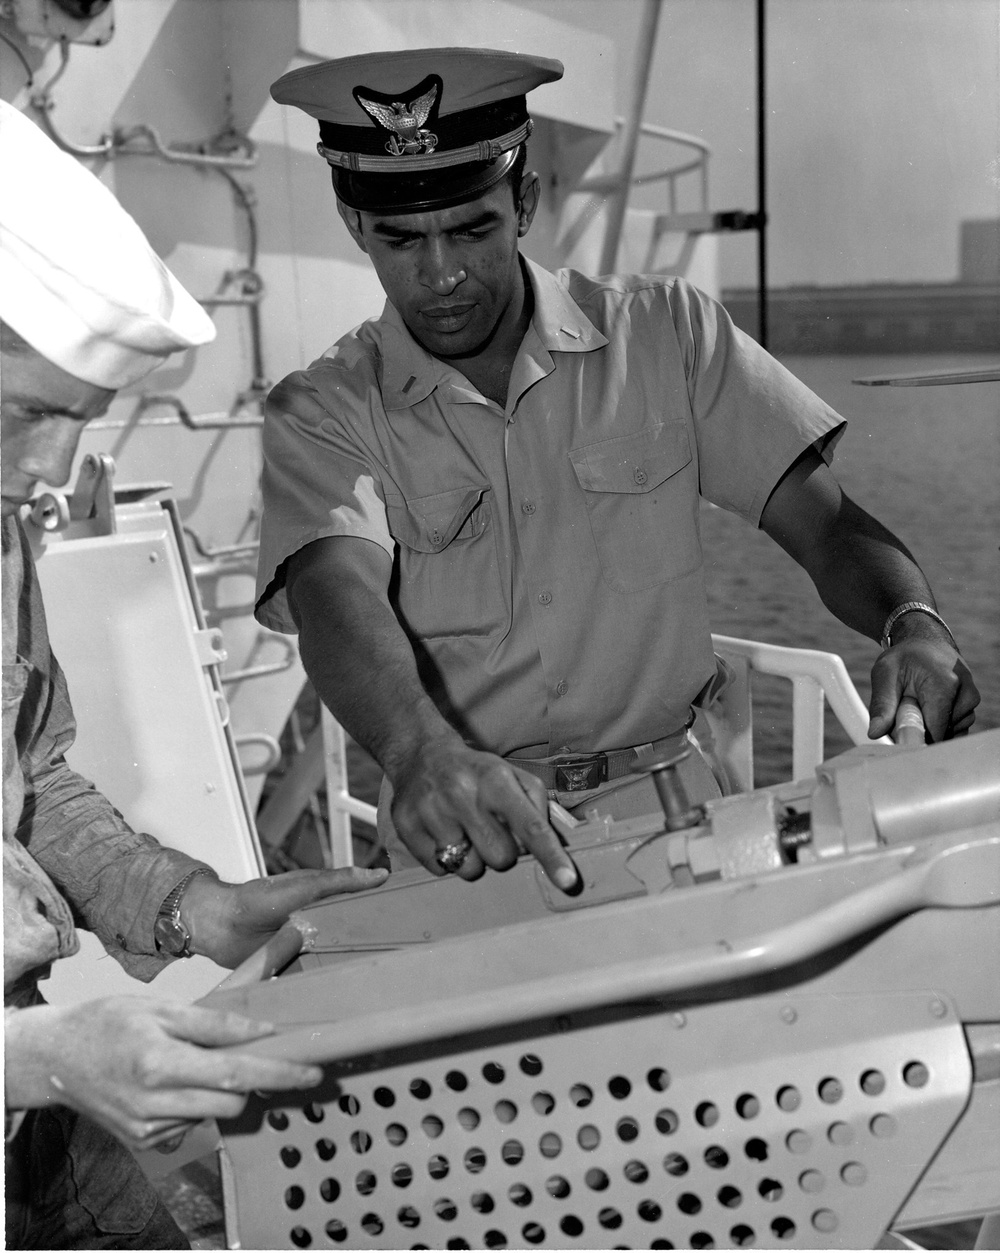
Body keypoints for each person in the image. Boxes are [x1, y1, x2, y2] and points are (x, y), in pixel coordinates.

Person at [254, 47, 979, 891]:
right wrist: (421, 749)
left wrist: (913, 622)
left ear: (523, 203)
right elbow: (334, 594)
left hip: (675, 824)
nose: (442, 273)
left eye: (472, 228)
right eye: (401, 240)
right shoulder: (322, 409)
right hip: (466, 831)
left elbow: (826, 526)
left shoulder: (667, 334)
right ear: (354, 227)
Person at [0, 101, 388, 1250]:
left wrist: (192, 905)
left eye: (81, 419)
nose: (53, 468)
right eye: (28, 412)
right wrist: (39, 1057)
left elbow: (34, 777)